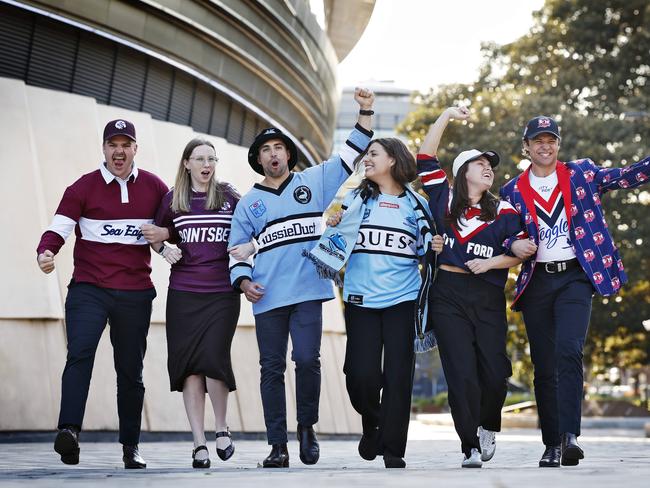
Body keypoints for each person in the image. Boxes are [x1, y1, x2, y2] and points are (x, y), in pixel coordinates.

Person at [228, 88, 375, 468]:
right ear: (258, 159)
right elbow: (236, 250)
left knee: (308, 360)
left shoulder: (315, 180)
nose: (273, 154)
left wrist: (365, 109)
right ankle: (277, 445)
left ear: (288, 154)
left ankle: (306, 427)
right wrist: (244, 283)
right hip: (267, 298)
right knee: (271, 369)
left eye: (279, 147)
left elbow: (352, 148)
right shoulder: (248, 204)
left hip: (309, 291)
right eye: (266, 150)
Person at [500, 116, 650, 468]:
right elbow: (503, 234)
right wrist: (514, 242)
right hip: (537, 282)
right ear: (527, 146)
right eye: (538, 140)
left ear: (558, 144)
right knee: (543, 365)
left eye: (550, 139)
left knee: (569, 351)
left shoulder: (581, 173)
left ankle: (570, 437)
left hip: (575, 278)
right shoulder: (512, 190)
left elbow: (627, 175)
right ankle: (551, 444)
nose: (545, 145)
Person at [36, 119, 169, 468]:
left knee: (130, 371)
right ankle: (69, 432)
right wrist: (46, 252)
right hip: (89, 289)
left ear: (135, 149)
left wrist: (166, 240)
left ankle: (131, 448)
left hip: (135, 292)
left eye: (126, 144)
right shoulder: (83, 187)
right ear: (104, 148)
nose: (119, 151)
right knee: (79, 355)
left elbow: (172, 226)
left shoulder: (155, 188)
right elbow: (59, 227)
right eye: (113, 144)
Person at [306, 137, 443, 468]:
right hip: (360, 298)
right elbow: (339, 234)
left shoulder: (416, 204)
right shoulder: (356, 198)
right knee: (360, 375)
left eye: (373, 154)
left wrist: (434, 244)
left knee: (398, 377)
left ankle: (393, 448)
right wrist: (333, 221)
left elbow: (427, 248)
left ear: (393, 160)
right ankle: (373, 424)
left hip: (403, 299)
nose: (366, 159)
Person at [417, 107, 525, 468]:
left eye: (490, 165)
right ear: (463, 172)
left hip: (488, 296)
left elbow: (519, 252)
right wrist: (447, 114)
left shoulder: (506, 211)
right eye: (480, 164)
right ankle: (469, 446)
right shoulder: (443, 199)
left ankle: (488, 425)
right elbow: (425, 156)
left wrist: (494, 262)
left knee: (495, 373)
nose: (488, 168)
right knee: (460, 372)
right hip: (447, 293)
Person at [147, 138, 242, 468]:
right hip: (184, 294)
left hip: (221, 294)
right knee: (190, 366)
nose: (207, 164)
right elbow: (153, 232)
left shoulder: (229, 196)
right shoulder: (173, 200)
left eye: (211, 159)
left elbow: (252, 231)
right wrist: (163, 249)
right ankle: (199, 443)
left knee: (214, 357)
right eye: (200, 158)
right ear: (186, 163)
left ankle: (222, 428)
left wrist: (250, 250)